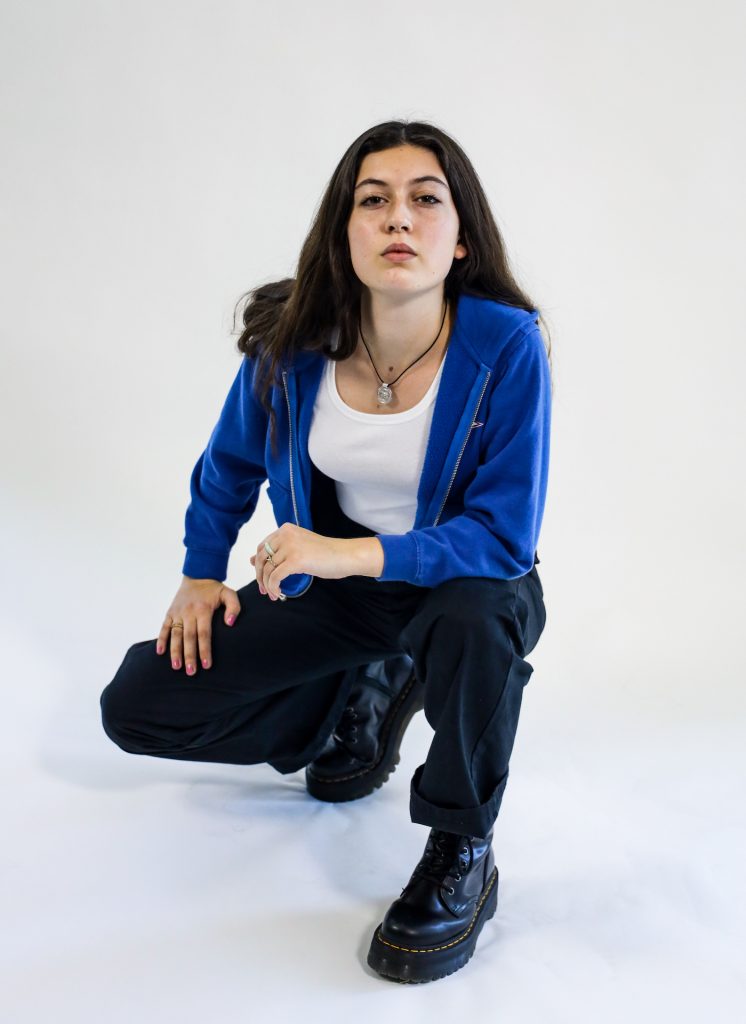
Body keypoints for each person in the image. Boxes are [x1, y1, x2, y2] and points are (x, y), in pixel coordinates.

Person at [99, 119, 552, 984]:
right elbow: (229, 463)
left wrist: (348, 557)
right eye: (373, 200)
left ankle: (462, 849)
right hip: (332, 586)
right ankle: (355, 697)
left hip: (463, 584)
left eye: (426, 200)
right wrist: (200, 572)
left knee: (474, 624)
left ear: (461, 239)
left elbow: (502, 536)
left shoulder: (505, 344)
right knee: (139, 706)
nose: (398, 218)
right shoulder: (294, 339)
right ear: (344, 233)